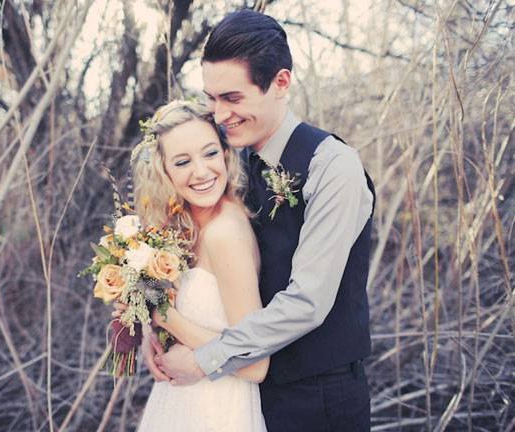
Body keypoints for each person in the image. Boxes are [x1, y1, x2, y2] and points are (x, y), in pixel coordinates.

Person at [148, 10, 375, 432]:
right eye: (212, 98)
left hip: (318, 401)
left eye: (232, 98)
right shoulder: (227, 164)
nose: (219, 114)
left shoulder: (333, 168)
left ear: (281, 83)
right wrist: (157, 331)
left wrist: (204, 358)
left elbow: (307, 303)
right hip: (243, 396)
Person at [129, 100, 268, 431]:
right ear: (163, 171)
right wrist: (152, 334)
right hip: (180, 403)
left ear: (225, 153)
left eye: (210, 153)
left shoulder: (225, 233)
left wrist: (165, 317)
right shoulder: (184, 226)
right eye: (182, 162)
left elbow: (256, 364)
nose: (202, 171)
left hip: (217, 411)